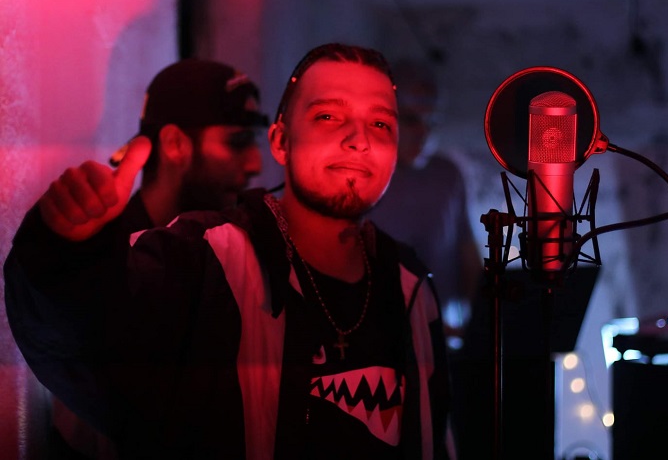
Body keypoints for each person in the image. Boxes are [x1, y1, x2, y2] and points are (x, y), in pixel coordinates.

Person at [5, 43, 454, 459]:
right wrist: (65, 250)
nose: (360, 139)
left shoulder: (411, 289)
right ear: (281, 142)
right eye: (328, 116)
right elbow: (88, 340)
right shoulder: (206, 258)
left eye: (381, 124)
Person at [6, 58, 268, 459]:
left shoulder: (229, 257)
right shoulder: (102, 263)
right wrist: (61, 248)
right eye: (237, 141)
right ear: (175, 144)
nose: (255, 164)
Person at [365, 57, 483, 459]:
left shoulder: (447, 175)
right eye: (412, 119)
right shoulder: (364, 173)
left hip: (441, 347)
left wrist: (479, 326)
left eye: (431, 121)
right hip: (376, 350)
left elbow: (467, 255)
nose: (423, 133)